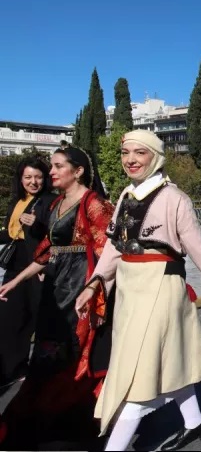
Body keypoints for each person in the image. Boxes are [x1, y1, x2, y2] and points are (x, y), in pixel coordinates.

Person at [73, 130, 201, 452]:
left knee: (139, 373)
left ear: (155, 156)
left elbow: (198, 250)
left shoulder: (174, 198)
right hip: (128, 290)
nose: (130, 160)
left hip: (161, 289)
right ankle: (195, 422)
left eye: (140, 153)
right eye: (126, 153)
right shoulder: (126, 195)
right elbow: (114, 247)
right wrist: (94, 283)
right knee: (160, 360)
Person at [0, 147, 114, 450]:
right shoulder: (56, 205)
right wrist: (15, 280)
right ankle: (38, 422)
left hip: (82, 287)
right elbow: (46, 252)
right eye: (51, 165)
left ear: (77, 171)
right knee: (46, 354)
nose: (50, 171)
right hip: (55, 287)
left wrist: (94, 290)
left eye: (57, 166)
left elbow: (110, 254)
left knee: (75, 356)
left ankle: (73, 423)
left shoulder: (95, 205)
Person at [0, 157, 56, 388]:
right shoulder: (18, 202)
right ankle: (10, 368)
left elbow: (54, 235)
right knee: (9, 317)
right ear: (20, 179)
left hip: (37, 264)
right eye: (28, 177)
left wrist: (38, 224)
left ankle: (38, 371)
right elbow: (10, 235)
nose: (33, 182)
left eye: (38, 177)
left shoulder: (50, 201)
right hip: (16, 263)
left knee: (36, 317)